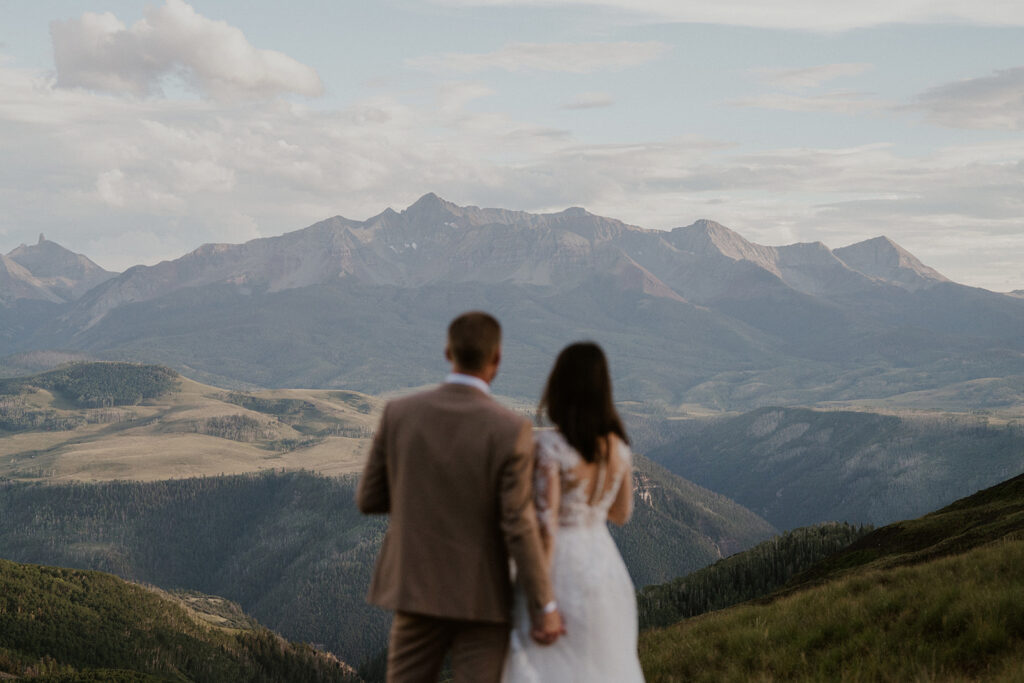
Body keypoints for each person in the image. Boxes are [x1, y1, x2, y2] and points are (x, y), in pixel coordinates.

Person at [357, 311, 565, 682]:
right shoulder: (511, 429)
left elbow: (370, 499)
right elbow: (518, 522)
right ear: (497, 358)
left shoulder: (399, 413)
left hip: (415, 587)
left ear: (447, 352)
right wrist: (544, 603)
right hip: (481, 595)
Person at [502, 341, 645, 682]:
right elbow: (622, 514)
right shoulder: (619, 448)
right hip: (607, 570)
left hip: (561, 569)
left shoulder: (549, 449)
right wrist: (589, 510)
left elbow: (546, 529)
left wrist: (544, 603)